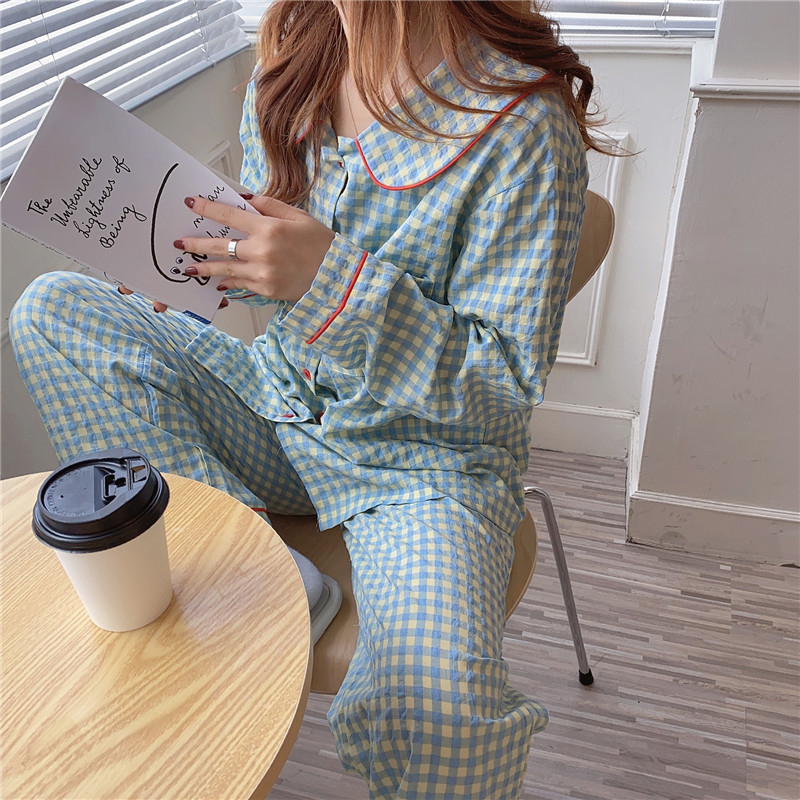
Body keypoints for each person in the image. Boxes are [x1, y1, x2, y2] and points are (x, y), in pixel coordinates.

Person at [11, 1, 604, 797]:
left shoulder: (524, 127)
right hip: (281, 405)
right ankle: (260, 556)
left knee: (445, 717)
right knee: (53, 311)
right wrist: (215, 265)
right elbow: (277, 277)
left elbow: (499, 390)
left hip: (422, 463)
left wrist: (328, 279)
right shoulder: (294, 63)